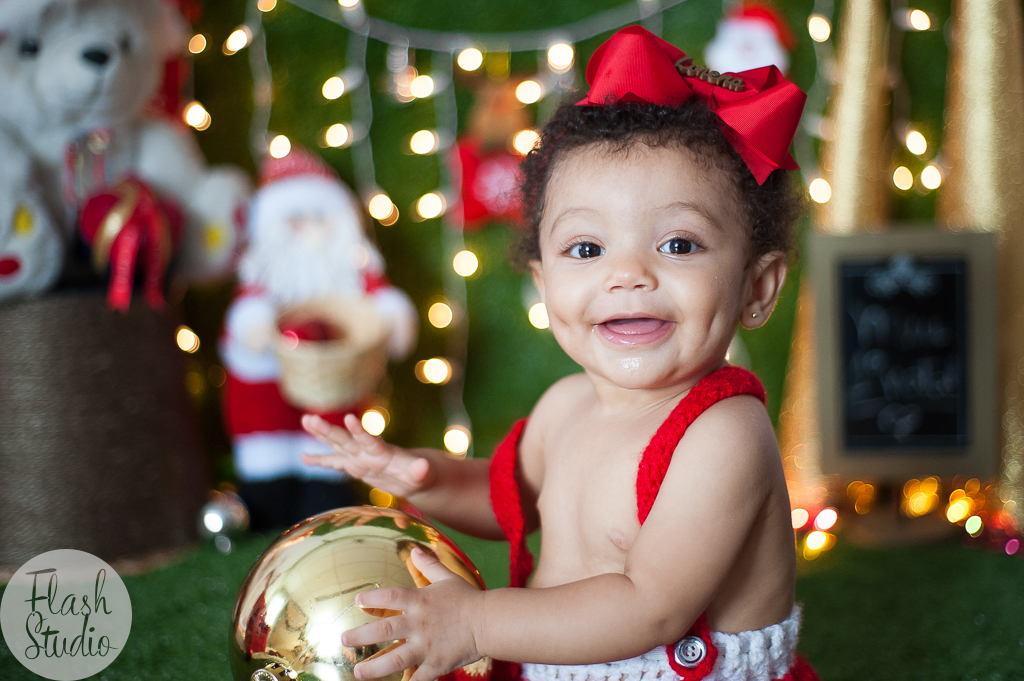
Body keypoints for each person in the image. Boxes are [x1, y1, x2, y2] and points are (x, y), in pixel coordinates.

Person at [301, 25, 817, 681]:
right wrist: (422, 478)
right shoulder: (566, 404)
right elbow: (503, 498)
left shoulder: (723, 434)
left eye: (679, 244)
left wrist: (476, 622)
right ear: (544, 285)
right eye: (587, 248)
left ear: (757, 286)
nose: (626, 274)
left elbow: (649, 607)